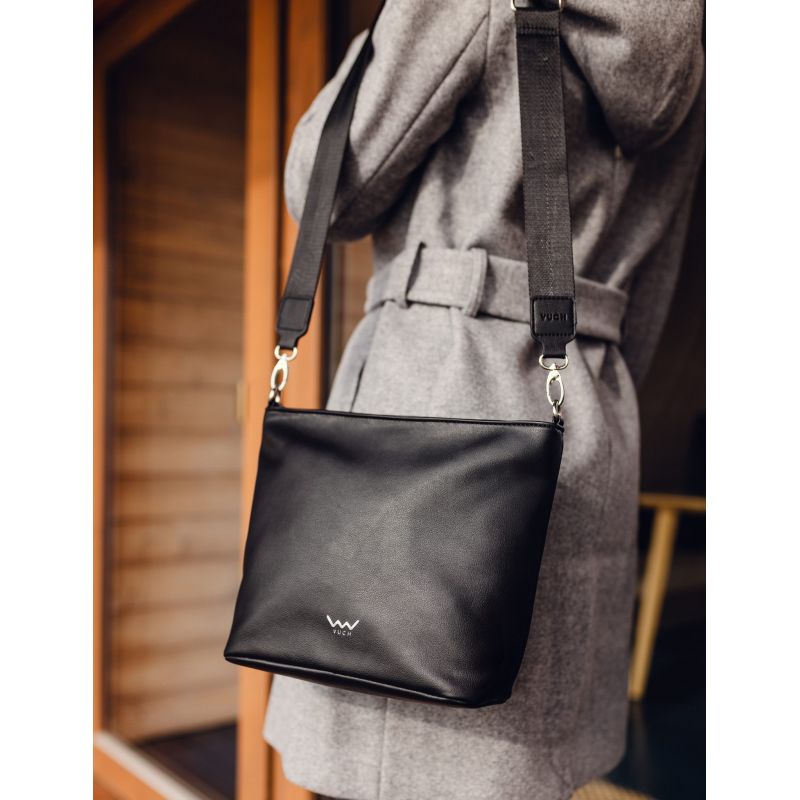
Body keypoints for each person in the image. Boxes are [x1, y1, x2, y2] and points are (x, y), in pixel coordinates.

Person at [265, 1, 705, 798]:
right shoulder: (695, 44)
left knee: (386, 770)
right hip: (588, 405)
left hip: (434, 392)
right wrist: (596, 400)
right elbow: (655, 286)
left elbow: (326, 190)